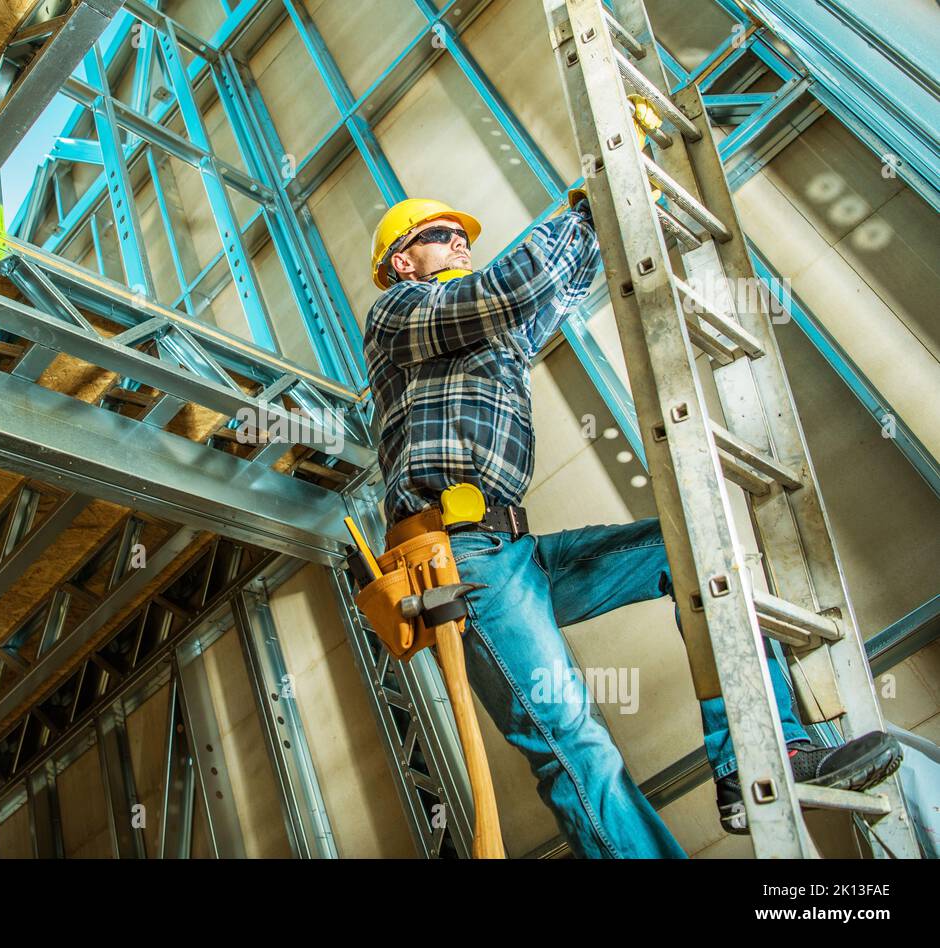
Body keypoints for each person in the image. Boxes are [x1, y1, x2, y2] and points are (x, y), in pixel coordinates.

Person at [363, 196, 904, 857]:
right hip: (459, 560)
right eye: (442, 235)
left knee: (684, 550)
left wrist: (601, 224)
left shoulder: (484, 335)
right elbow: (508, 290)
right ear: (403, 261)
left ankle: (760, 755)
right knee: (571, 741)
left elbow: (549, 297)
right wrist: (584, 205)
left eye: (462, 234)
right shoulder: (399, 315)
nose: (460, 242)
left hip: (513, 548)